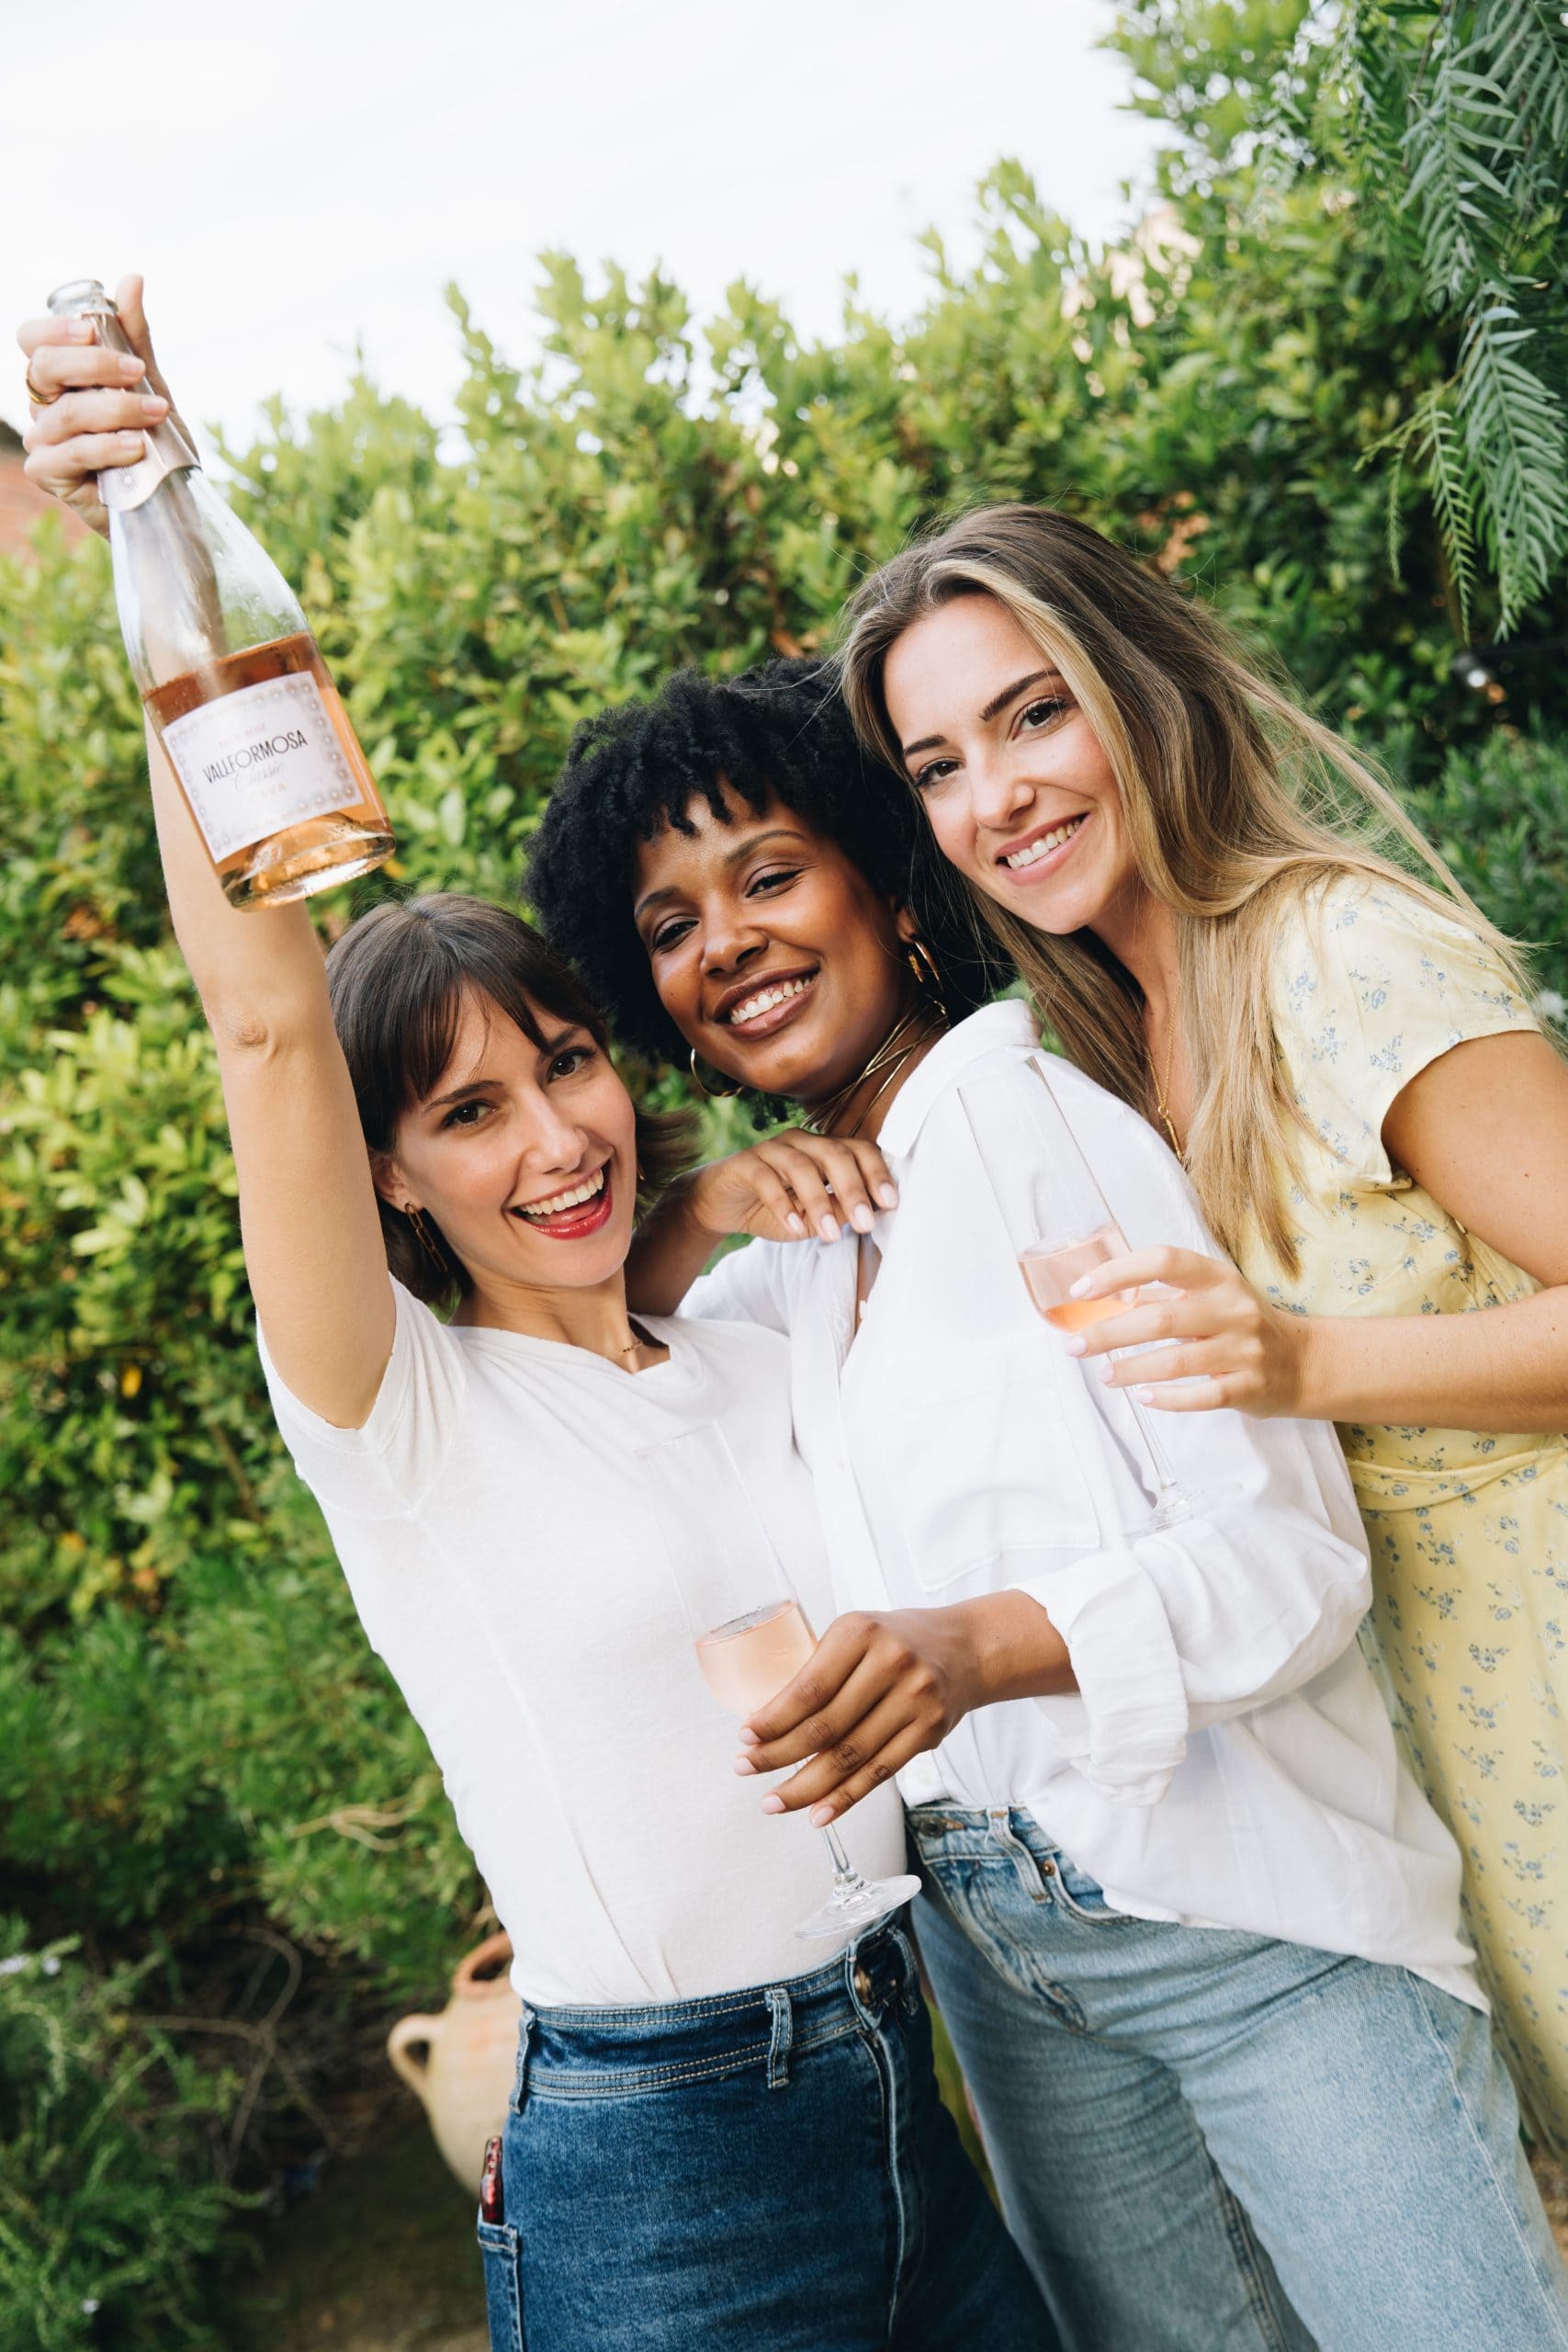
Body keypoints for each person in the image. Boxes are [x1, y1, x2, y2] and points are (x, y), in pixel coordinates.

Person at [17, 290, 1057, 2352]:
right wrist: (161, 518)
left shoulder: (754, 1330)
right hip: (660, 2174)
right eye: (464, 1111)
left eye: (568, 1062)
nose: (552, 1133)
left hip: (917, 2095)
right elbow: (255, 1018)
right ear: (386, 1172)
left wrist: (682, 1218)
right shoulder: (392, 1412)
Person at [527, 657, 1568, 2352]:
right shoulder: (791, 1266)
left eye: (771, 875)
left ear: (885, 881)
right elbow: (582, 1375)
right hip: (1003, 1975)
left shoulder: (1031, 1129)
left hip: (1256, 1928)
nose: (726, 941)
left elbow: (1291, 1562)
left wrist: (987, 1647)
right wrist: (692, 1214)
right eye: (667, 926)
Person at [836, 501, 1568, 2159]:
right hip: (1421, 1761)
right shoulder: (1103, 1046)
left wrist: (1303, 1362)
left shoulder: (1333, 953)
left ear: (1141, 689)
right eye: (938, 764)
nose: (995, 793)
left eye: (1032, 712)